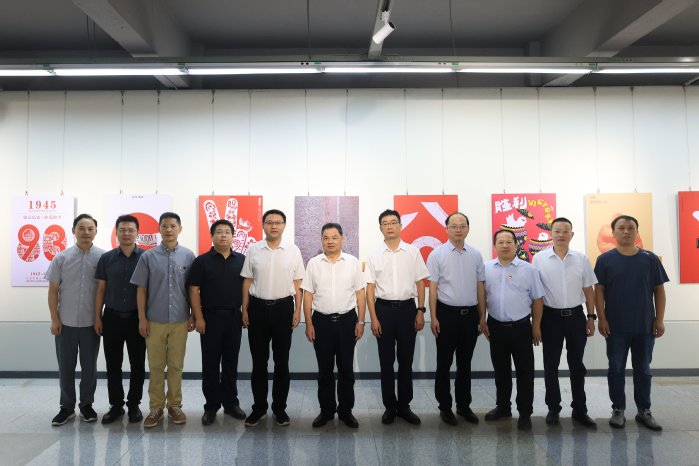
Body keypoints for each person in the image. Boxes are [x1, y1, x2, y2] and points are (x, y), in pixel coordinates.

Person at [594, 215, 668, 431]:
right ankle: (618, 409)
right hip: (615, 327)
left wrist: (660, 319)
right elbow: (599, 291)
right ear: (613, 232)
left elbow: (659, 291)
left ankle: (644, 410)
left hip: (645, 326)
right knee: (616, 369)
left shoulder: (650, 259)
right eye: (621, 228)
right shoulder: (605, 260)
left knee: (643, 370)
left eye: (630, 228)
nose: (626, 231)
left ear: (637, 232)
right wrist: (602, 318)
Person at [130, 212, 195, 428]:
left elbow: (192, 289)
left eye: (173, 226)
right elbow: (141, 290)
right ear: (159, 229)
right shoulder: (148, 257)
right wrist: (142, 318)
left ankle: (175, 406)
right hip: (154, 321)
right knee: (156, 366)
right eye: (165, 226)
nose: (168, 230)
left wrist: (193, 314)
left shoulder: (188, 256)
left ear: (180, 229)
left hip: (179, 320)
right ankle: (156, 408)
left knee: (176, 365)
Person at [241, 209, 305, 427]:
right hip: (257, 309)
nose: (274, 226)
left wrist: (297, 310)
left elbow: (298, 283)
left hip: (283, 309)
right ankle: (259, 408)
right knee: (259, 362)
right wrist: (244, 310)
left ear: (284, 225)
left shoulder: (293, 251)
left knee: (281, 362)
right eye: (270, 222)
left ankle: (279, 409)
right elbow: (247, 281)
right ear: (263, 225)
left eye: (278, 222)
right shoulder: (254, 249)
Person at [366, 209, 429, 425]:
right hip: (383, 310)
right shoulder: (374, 255)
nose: (390, 226)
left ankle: (404, 406)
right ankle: (389, 407)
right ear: (380, 228)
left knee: (406, 360)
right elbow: (369, 289)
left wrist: (421, 310)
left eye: (393, 222)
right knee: (386, 362)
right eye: (385, 223)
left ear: (400, 226)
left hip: (407, 310)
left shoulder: (412, 252)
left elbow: (420, 282)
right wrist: (373, 318)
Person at [532, 217, 597, 428]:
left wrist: (591, 317)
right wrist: (536, 324)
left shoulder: (581, 259)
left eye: (565, 231)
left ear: (572, 234)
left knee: (577, 365)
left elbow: (589, 290)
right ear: (550, 233)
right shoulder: (539, 259)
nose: (561, 234)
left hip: (576, 317)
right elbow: (536, 294)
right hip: (550, 318)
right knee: (550, 365)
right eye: (557, 231)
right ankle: (553, 408)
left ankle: (580, 409)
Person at [302, 223, 366, 429]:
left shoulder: (352, 262)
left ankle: (346, 411)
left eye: (334, 237)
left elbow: (360, 293)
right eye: (326, 237)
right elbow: (307, 294)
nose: (330, 241)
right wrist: (309, 323)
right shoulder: (313, 263)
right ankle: (327, 411)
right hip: (321, 322)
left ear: (342, 239)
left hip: (348, 321)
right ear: (321, 240)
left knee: (346, 369)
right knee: (324, 370)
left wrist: (361, 321)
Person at [427, 212, 487, 426]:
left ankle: (463, 405)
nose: (458, 229)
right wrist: (433, 317)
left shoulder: (476, 255)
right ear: (446, 229)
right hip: (446, 315)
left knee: (465, 363)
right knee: (444, 363)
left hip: (470, 316)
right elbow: (432, 289)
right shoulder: (437, 254)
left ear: (468, 229)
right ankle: (445, 406)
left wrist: (482, 316)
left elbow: (480, 287)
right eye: (453, 226)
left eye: (462, 226)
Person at [46, 213, 105, 426]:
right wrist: (54, 319)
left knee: (89, 368)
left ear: (96, 232)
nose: (86, 232)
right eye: (81, 228)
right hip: (66, 323)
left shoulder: (103, 258)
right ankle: (67, 407)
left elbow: (104, 290)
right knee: (66, 367)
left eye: (90, 228)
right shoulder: (61, 258)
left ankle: (86, 405)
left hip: (91, 323)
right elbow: (53, 290)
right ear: (73, 231)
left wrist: (99, 318)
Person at [484, 229, 545, 431]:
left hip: (521, 328)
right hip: (495, 327)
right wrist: (482, 320)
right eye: (500, 242)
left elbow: (538, 299)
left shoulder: (529, 269)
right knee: (501, 371)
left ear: (516, 245)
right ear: (495, 245)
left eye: (509, 241)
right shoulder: (486, 269)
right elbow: (482, 297)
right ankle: (503, 407)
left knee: (525, 372)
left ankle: (525, 413)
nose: (504, 245)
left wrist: (536, 326)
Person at [188, 219, 247, 426]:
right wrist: (198, 317)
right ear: (212, 236)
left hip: (234, 317)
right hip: (210, 318)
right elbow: (193, 290)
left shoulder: (242, 260)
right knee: (210, 364)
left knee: (231, 363)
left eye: (227, 232)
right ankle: (211, 406)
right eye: (219, 232)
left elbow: (247, 288)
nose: (223, 235)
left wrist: (245, 312)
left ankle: (231, 403)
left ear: (233, 236)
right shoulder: (202, 261)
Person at [94, 214, 146, 424]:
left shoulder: (146, 257)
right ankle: (116, 406)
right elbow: (100, 290)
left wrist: (145, 318)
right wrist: (97, 317)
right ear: (116, 232)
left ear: (137, 233)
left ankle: (134, 405)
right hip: (112, 317)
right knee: (113, 364)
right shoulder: (106, 258)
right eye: (122, 230)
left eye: (131, 230)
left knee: (137, 364)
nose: (126, 233)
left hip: (136, 318)